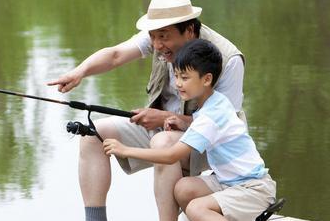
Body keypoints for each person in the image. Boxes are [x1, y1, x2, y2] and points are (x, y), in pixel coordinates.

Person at [47, 0, 246, 221]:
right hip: (164, 131)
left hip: (210, 143)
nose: (157, 44)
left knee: (161, 141)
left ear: (189, 30)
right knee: (93, 134)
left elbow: (224, 124)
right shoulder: (158, 38)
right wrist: (79, 72)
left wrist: (163, 119)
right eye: (153, 36)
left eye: (163, 36)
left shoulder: (228, 59)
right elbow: (115, 55)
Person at [103, 39, 276, 221]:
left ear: (207, 79)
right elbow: (207, 126)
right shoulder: (213, 102)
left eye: (185, 78)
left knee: (196, 209)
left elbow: (170, 156)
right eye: (176, 76)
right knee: (183, 189)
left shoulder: (210, 115)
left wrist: (124, 150)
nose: (178, 83)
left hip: (253, 189)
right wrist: (186, 124)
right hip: (228, 182)